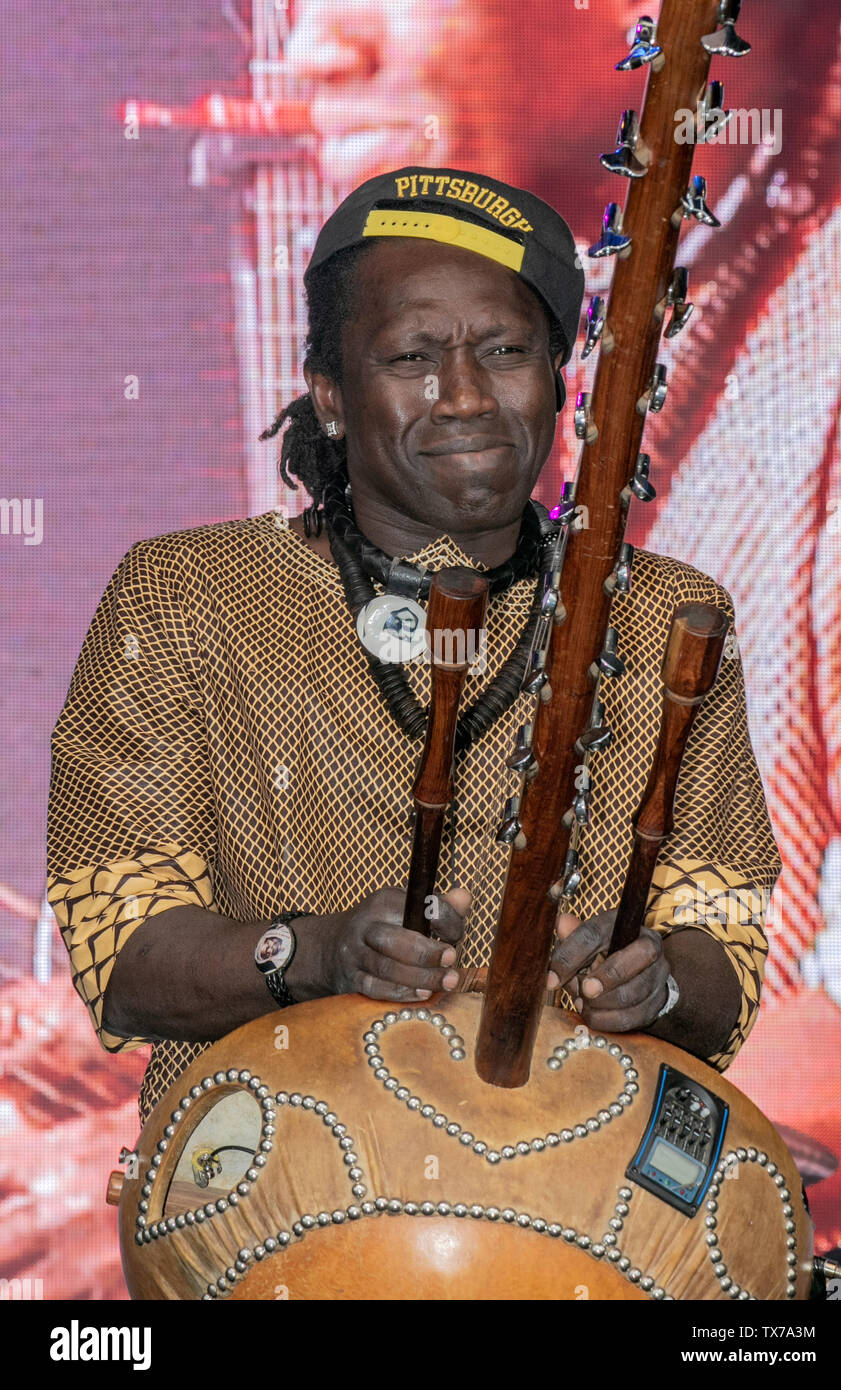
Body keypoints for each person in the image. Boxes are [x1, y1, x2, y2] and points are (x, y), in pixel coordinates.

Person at [47, 168, 780, 1124]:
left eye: (508, 349)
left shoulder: (668, 615)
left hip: (588, 1193)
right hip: (284, 1189)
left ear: (558, 383)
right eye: (410, 359)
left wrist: (664, 983)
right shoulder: (187, 594)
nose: (467, 396)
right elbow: (122, 938)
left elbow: (727, 934)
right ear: (332, 397)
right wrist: (312, 955)